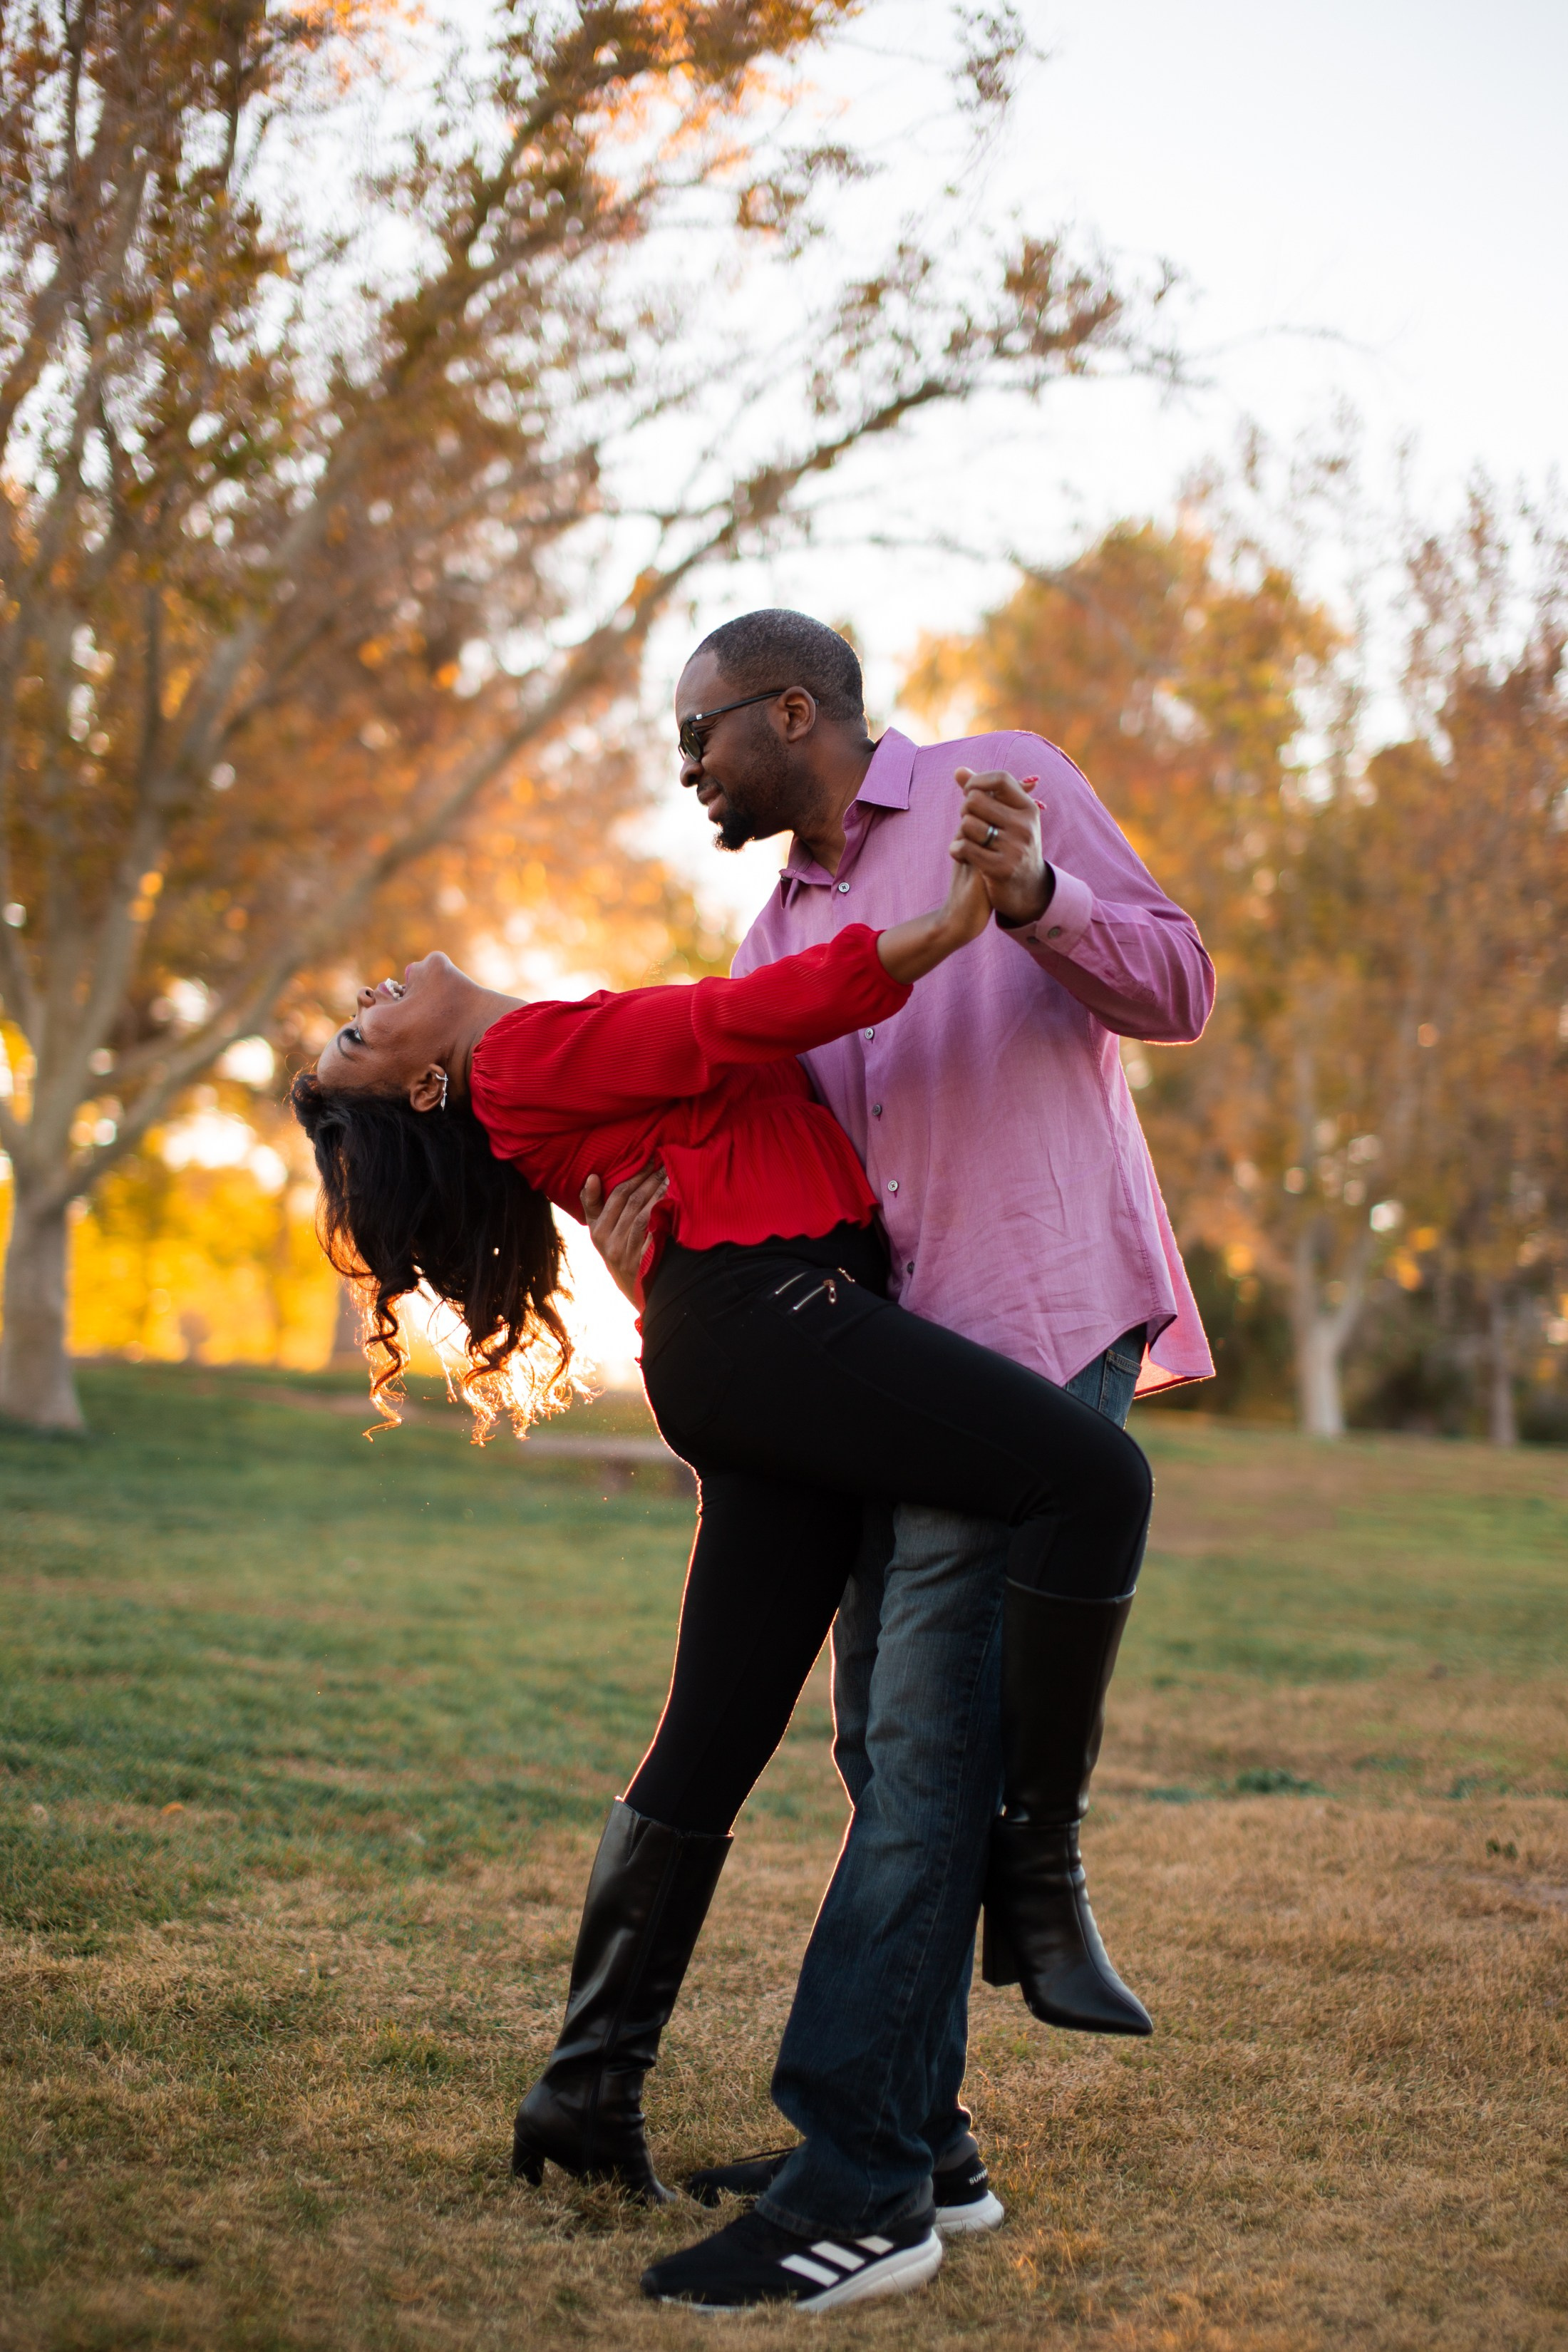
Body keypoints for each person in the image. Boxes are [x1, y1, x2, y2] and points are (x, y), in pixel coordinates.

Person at [292, 839, 1157, 2315]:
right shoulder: (521, 1050)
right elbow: (738, 1021)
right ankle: (1036, 1877)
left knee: (711, 1742)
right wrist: (944, 928)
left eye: (352, 1015)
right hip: (774, 1332)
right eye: (363, 1038)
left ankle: (588, 2099)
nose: (374, 999)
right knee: (1086, 1477)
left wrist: (653, 1250)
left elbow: (712, 1118)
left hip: (744, 1338)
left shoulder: (529, 1084)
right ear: (422, 1085)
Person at [576, 609, 1214, 2313]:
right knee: (884, 1738)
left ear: (796, 711)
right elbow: (772, 1154)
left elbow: (1178, 983)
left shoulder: (1002, 792)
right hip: (886, 1366)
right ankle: (925, 2141)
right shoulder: (772, 923)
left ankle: (859, 2183)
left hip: (1031, 1318)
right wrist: (651, 1240)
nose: (689, 765)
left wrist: (1038, 908)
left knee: (926, 1744)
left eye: (700, 731)